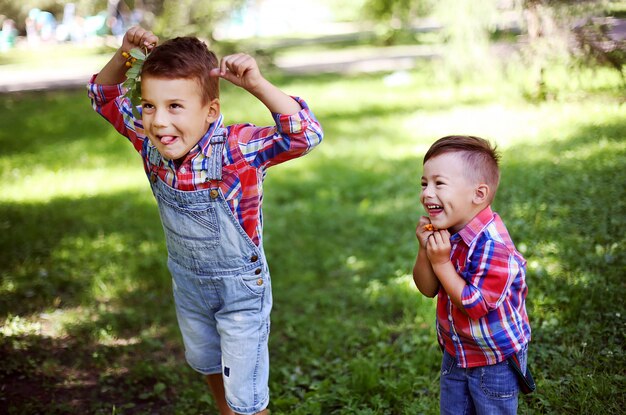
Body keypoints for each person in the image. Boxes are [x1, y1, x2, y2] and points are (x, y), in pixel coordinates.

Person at [87, 26, 323, 415]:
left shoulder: (236, 149)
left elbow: (305, 135)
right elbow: (103, 96)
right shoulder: (150, 144)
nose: (159, 121)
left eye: (175, 106)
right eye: (149, 105)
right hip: (189, 284)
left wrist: (258, 84)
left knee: (247, 396)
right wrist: (126, 54)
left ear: (210, 110)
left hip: (241, 293)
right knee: (209, 361)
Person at [412, 136, 531, 414]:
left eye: (439, 183)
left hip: (495, 359)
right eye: (424, 183)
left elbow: (475, 305)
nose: (427, 193)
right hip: (456, 350)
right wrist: (424, 250)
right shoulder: (448, 230)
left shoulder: (494, 246)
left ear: (478, 194)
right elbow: (428, 289)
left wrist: (442, 264)